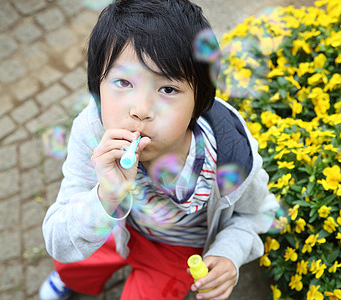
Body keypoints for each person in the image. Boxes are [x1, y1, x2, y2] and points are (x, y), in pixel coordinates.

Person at [39, 0, 279, 299]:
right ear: (97, 86)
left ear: (199, 101)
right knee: (76, 256)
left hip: (175, 247)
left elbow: (256, 215)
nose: (140, 110)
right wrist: (106, 195)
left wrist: (229, 251)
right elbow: (58, 239)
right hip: (117, 224)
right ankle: (74, 281)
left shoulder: (232, 157)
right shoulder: (92, 133)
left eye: (168, 89)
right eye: (123, 81)